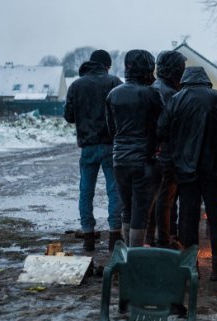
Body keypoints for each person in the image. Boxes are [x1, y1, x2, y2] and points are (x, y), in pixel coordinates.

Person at [157, 66, 217, 281]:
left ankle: (191, 265)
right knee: (216, 218)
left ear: (185, 81)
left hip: (185, 167)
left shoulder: (176, 99)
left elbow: (162, 130)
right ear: (206, 81)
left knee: (188, 217)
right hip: (214, 168)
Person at [64, 49, 123, 252]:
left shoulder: (76, 85)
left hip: (88, 147)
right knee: (114, 191)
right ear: (106, 66)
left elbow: (69, 116)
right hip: (111, 145)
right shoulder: (115, 82)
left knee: (86, 191)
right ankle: (115, 235)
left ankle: (88, 235)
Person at [105, 50, 163, 247]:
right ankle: (135, 254)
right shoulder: (151, 94)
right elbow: (162, 126)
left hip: (119, 159)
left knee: (127, 209)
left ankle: (129, 252)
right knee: (141, 210)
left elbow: (111, 128)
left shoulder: (113, 94)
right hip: (144, 160)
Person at [151, 50, 187, 248]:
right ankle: (163, 238)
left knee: (161, 198)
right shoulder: (170, 93)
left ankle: (160, 235)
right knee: (165, 199)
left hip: (158, 152)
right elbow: (168, 127)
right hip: (167, 153)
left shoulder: (155, 87)